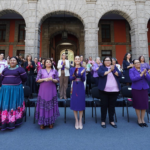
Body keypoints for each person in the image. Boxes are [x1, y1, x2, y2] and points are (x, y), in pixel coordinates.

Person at [0, 57, 27, 130]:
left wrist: (17, 85)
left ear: (17, 62)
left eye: (14, 60)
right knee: (5, 105)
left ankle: (13, 121)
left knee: (13, 104)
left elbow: (24, 78)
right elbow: (1, 78)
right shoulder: (5, 69)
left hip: (16, 90)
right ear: (9, 62)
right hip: (5, 90)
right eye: (11, 60)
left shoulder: (20, 69)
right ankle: (3, 121)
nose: (12, 61)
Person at [36, 58, 60, 129]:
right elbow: (37, 80)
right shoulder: (41, 70)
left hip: (52, 89)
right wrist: (44, 79)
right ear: (44, 63)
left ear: (51, 63)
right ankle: (42, 122)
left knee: (51, 104)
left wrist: (52, 79)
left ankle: (51, 122)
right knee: (43, 104)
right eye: (47, 62)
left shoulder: (54, 71)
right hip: (43, 90)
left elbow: (57, 80)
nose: (48, 63)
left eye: (50, 62)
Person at [98, 56, 121, 128]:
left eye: (109, 60)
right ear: (104, 61)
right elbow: (101, 74)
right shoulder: (101, 67)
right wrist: (110, 70)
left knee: (112, 106)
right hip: (104, 90)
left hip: (114, 90)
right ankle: (103, 121)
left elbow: (119, 75)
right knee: (104, 106)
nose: (108, 61)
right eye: (106, 60)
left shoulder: (114, 67)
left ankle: (112, 120)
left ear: (111, 61)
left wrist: (114, 70)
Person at [129, 59, 150, 127]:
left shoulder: (144, 69)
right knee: (137, 104)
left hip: (144, 89)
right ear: (134, 64)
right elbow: (133, 79)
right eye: (136, 63)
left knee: (144, 104)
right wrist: (141, 75)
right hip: (136, 89)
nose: (138, 63)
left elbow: (149, 79)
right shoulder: (131, 70)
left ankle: (142, 119)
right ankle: (139, 119)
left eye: (138, 62)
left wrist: (145, 73)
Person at [70, 56, 86, 129]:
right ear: (74, 60)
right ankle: (76, 120)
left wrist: (81, 75)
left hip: (81, 86)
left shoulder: (83, 69)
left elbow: (83, 79)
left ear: (80, 60)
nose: (77, 60)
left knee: (81, 102)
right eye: (76, 59)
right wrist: (75, 75)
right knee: (75, 102)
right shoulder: (72, 69)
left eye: (78, 59)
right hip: (74, 86)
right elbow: (71, 78)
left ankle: (80, 120)